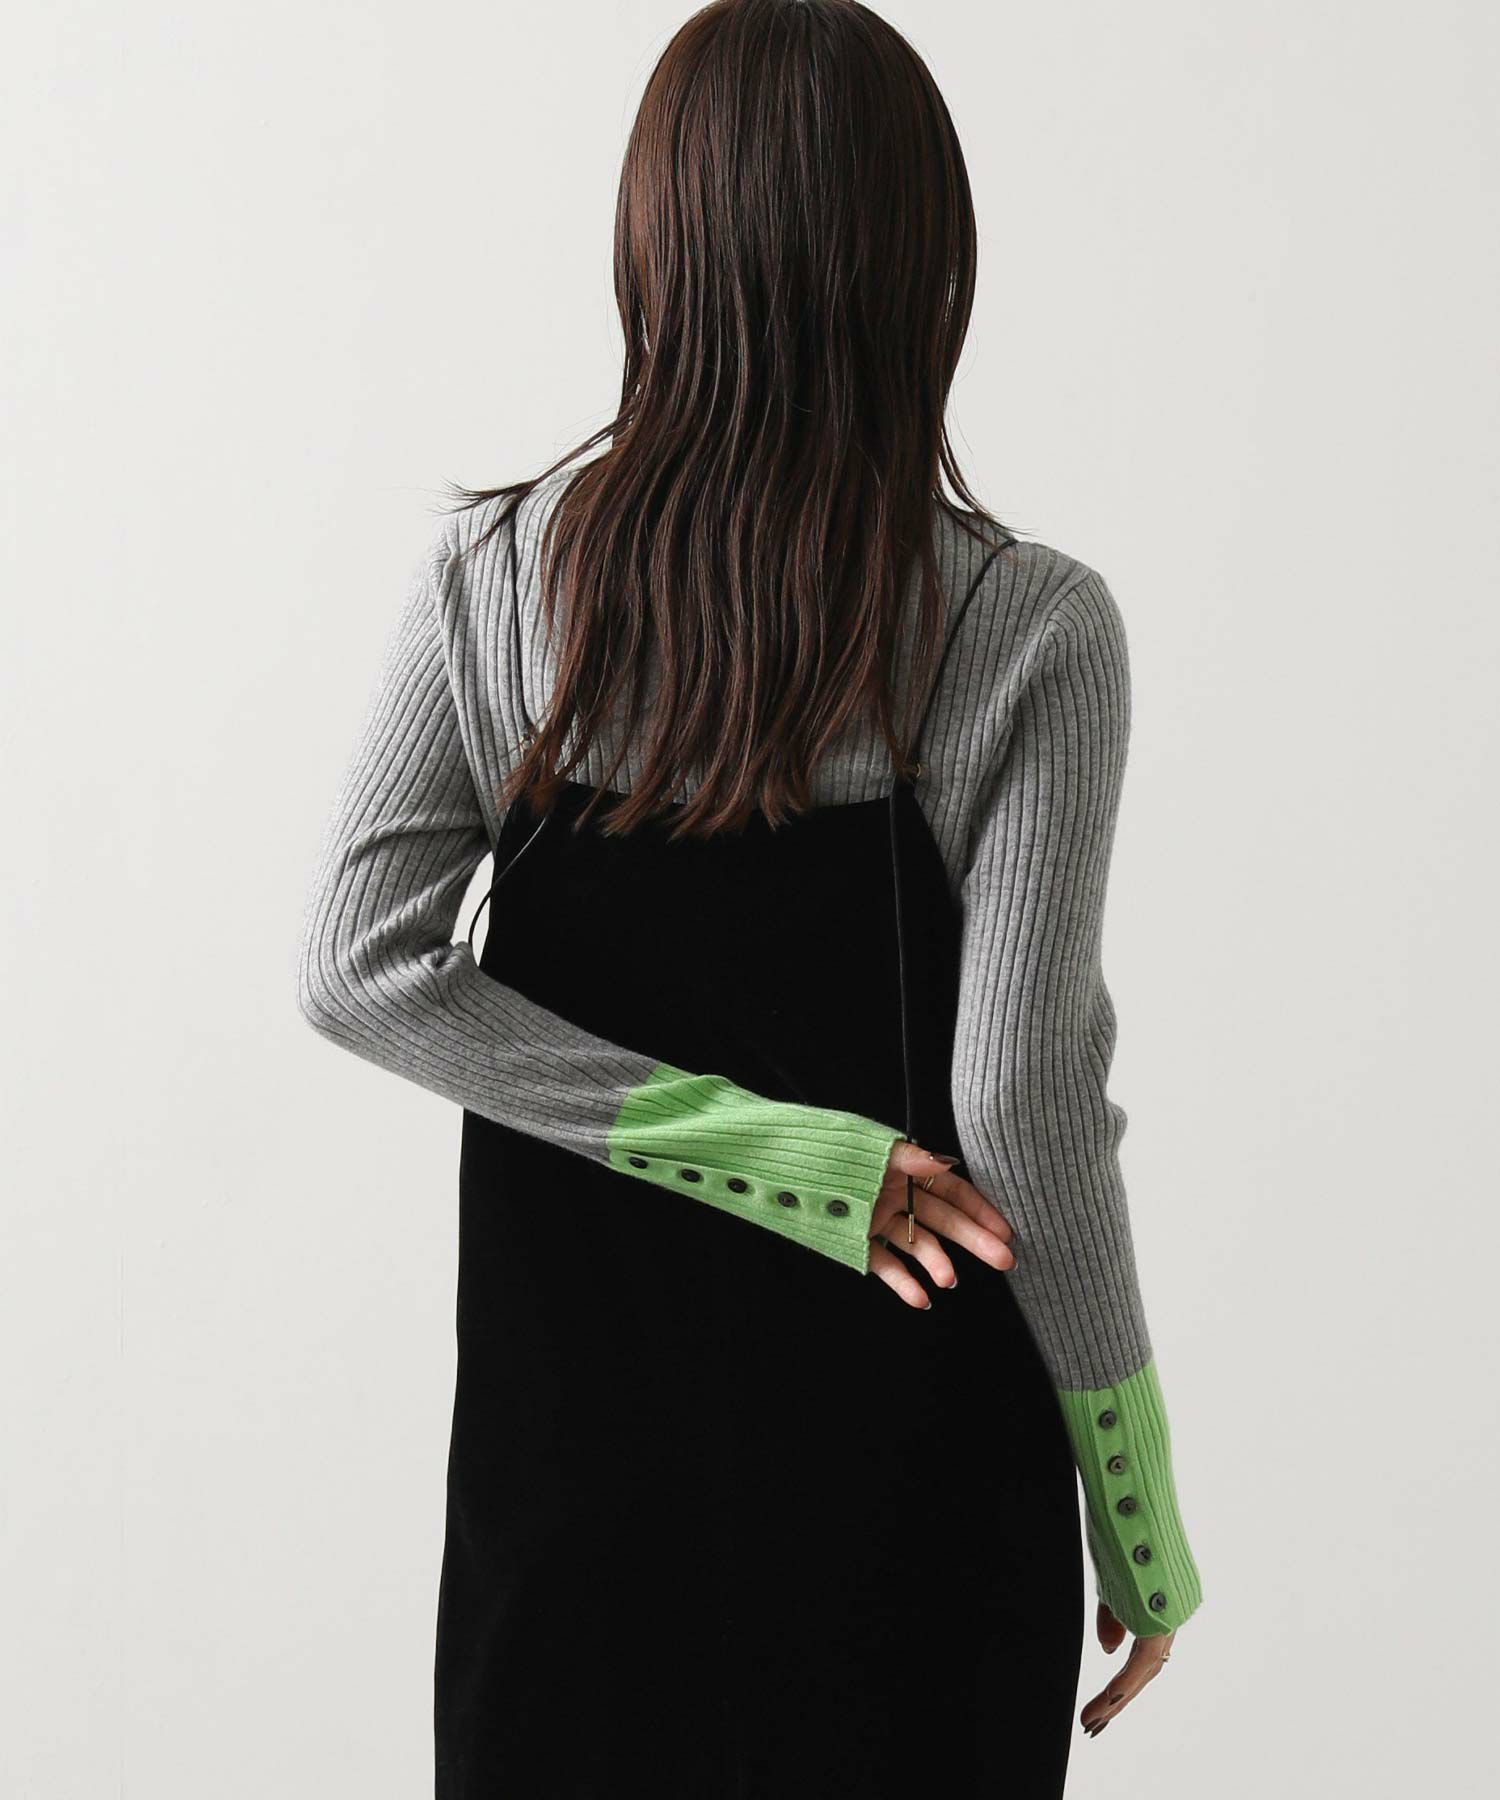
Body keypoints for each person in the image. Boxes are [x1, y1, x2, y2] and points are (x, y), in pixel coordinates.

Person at [297, 2, 1202, 1793]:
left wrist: (729, 1143)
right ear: (924, 268)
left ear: (655, 250)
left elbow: (363, 965)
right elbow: (1022, 1101)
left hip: (579, 1507)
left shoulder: (494, 580)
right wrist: (1135, 1495)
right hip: (914, 1508)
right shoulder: (1024, 626)